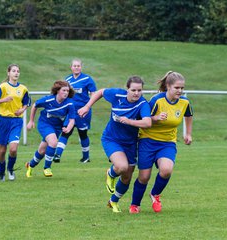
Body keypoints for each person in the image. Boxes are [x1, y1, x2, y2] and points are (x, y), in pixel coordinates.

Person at [78, 76, 151, 213]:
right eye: (133, 90)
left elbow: (147, 123)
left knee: (126, 177)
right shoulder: (117, 94)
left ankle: (113, 201)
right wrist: (87, 106)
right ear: (127, 89)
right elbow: (100, 92)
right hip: (111, 139)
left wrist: (129, 121)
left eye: (139, 90)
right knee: (121, 166)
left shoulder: (142, 104)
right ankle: (110, 174)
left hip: (130, 143)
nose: (136, 93)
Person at [130, 71, 193, 214]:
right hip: (148, 140)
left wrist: (188, 133)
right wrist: (156, 118)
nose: (180, 91)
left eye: (182, 88)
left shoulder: (185, 102)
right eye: (177, 88)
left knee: (166, 170)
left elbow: (188, 115)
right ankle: (135, 204)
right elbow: (143, 118)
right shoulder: (157, 100)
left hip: (167, 142)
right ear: (168, 86)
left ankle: (155, 194)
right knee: (144, 177)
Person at [25, 80, 75, 177]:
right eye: (63, 90)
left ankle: (30, 165)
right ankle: (47, 168)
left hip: (57, 128)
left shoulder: (70, 104)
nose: (66, 93)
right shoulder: (48, 100)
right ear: (57, 90)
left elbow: (72, 120)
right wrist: (31, 121)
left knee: (42, 151)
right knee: (53, 142)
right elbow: (35, 105)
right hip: (45, 124)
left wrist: (68, 128)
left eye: (67, 91)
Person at [0, 64, 31, 181]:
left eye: (18, 71)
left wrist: (22, 110)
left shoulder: (23, 88)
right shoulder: (3, 87)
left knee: (13, 149)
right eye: (13, 71)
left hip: (16, 121)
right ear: (8, 73)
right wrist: (4, 99)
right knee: (2, 150)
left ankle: (10, 169)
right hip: (3, 121)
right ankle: (1, 172)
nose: (16, 73)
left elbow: (27, 102)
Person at [53, 59, 97, 163]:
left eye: (78, 66)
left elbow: (93, 93)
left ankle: (86, 157)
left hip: (83, 112)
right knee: (65, 132)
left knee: (83, 133)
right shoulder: (67, 79)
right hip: (70, 111)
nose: (76, 67)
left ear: (81, 67)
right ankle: (57, 155)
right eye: (74, 66)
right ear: (71, 67)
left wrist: (87, 106)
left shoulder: (87, 79)